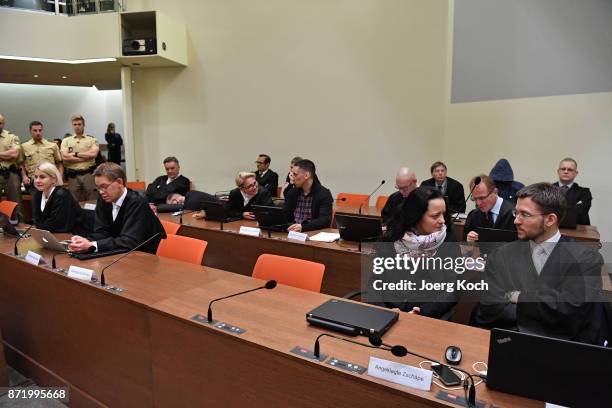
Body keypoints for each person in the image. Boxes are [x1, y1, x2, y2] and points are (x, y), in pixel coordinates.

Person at [472, 183, 606, 345]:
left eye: (524, 214)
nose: (516, 220)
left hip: (561, 352)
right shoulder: (500, 256)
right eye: (516, 212)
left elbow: (572, 314)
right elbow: (489, 309)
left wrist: (518, 296)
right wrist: (548, 309)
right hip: (508, 343)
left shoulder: (586, 260)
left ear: (550, 219)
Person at [368, 187, 461, 319]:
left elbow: (454, 289)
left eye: (443, 214)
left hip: (429, 316)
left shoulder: (448, 241)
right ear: (416, 215)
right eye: (435, 216)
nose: (442, 220)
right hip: (389, 312)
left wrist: (422, 311)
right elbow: (374, 283)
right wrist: (384, 310)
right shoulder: (393, 238)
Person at [69, 162, 165, 254]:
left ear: (120, 182)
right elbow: (102, 232)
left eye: (104, 186)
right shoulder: (104, 200)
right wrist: (85, 240)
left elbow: (129, 240)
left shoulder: (137, 202)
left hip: (147, 255)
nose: (101, 192)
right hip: (122, 252)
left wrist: (93, 245)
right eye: (98, 188)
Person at [31, 162, 88, 235]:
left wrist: (39, 227)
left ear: (54, 179)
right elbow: (37, 219)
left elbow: (56, 224)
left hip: (74, 235)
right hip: (50, 233)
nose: (37, 181)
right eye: (36, 177)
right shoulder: (38, 194)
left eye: (42, 177)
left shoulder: (61, 194)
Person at [283, 159, 333, 232]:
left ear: (306, 175)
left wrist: (303, 227)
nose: (292, 178)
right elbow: (284, 214)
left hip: (311, 232)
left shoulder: (323, 193)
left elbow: (324, 220)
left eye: (295, 174)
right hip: (291, 231)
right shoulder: (292, 192)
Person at [463, 174, 516, 242]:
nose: (478, 203)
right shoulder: (474, 215)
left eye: (482, 198)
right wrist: (469, 242)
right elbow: (464, 247)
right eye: (475, 199)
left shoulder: (514, 214)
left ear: (495, 192)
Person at [61, 115, 100, 201]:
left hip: (88, 174)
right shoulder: (66, 141)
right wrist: (85, 157)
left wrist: (75, 154)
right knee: (73, 202)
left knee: (92, 199)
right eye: (75, 124)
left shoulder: (92, 140)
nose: (77, 126)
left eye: (79, 124)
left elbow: (94, 154)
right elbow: (64, 157)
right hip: (73, 176)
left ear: (83, 125)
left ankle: (92, 215)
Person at [20, 121, 63, 196]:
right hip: (34, 180)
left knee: (52, 204)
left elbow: (60, 163)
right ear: (30, 131)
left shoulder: (52, 145)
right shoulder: (24, 146)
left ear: (43, 130)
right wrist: (24, 176)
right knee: (35, 205)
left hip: (50, 180)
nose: (38, 133)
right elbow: (21, 163)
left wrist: (59, 177)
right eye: (35, 130)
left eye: (40, 130)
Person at [553, 158, 592, 225]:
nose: (566, 171)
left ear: (576, 173)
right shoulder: (547, 190)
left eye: (570, 170)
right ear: (558, 171)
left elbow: (581, 212)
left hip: (578, 231)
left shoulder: (584, 192)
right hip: (551, 229)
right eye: (563, 169)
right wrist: (572, 208)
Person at [0, 113, 23, 214]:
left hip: (9, 173)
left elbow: (14, 154)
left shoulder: (12, 137)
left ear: (3, 124)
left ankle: (18, 225)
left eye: (0, 123)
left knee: (15, 202)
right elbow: (10, 154)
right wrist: (6, 154)